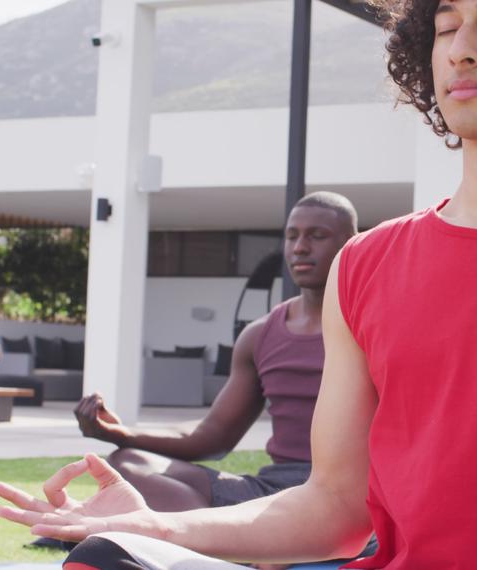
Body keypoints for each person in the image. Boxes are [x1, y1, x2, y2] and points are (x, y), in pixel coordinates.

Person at [0, 1, 477, 568]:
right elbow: (334, 507)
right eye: (447, 25)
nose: (462, 50)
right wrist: (156, 523)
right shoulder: (367, 263)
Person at [70, 191, 358, 515]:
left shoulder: (377, 325)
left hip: (350, 492)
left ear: (352, 242)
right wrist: (120, 433)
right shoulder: (260, 335)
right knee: (128, 462)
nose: (300, 247)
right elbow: (213, 437)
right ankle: (237, 543)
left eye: (317, 236)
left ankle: (243, 543)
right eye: (292, 236)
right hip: (275, 491)